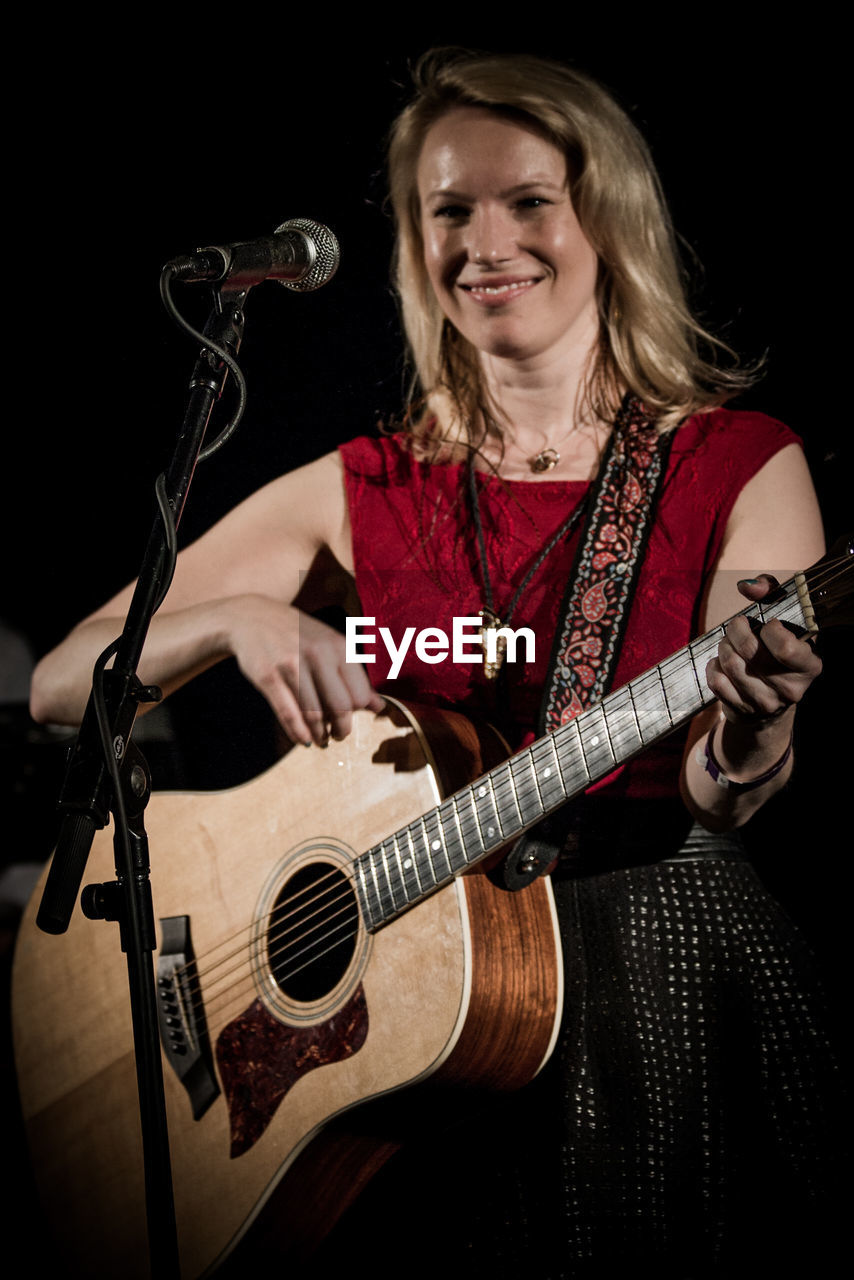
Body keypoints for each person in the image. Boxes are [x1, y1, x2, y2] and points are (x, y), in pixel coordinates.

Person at [29, 47, 841, 1278]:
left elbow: (723, 791)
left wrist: (749, 732)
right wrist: (230, 621)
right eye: (446, 209)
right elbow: (62, 677)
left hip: (652, 979)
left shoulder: (737, 461)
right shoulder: (366, 486)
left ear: (604, 216)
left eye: (528, 201)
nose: (484, 240)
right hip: (412, 1023)